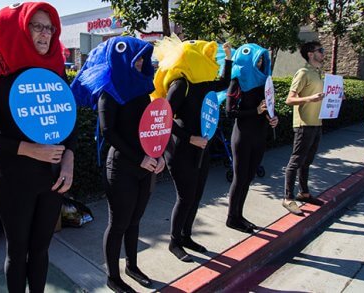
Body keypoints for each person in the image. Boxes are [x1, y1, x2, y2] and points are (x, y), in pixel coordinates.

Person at [0, 2, 76, 292]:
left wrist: (69, 158)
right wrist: (27, 148)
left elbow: (68, 120)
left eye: (50, 28)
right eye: (36, 26)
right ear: (20, 28)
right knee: (17, 251)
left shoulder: (56, 69)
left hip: (53, 178)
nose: (45, 34)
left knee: (41, 250)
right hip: (14, 179)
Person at [71, 36, 163, 292]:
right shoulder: (109, 92)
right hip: (121, 168)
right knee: (119, 223)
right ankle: (113, 277)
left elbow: (153, 128)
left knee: (135, 221)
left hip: (145, 167)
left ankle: (132, 267)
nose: (141, 61)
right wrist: (142, 158)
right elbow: (108, 132)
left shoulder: (143, 90)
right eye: (137, 57)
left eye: (144, 57)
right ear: (123, 58)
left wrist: (160, 154)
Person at [151, 36, 232, 262]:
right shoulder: (181, 84)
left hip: (201, 148)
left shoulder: (204, 83)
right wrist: (190, 138)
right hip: (180, 149)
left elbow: (225, 83)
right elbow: (165, 119)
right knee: (185, 197)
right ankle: (174, 242)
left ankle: (186, 236)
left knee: (196, 195)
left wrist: (228, 58)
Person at [225, 44, 278, 233]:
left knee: (248, 178)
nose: (261, 63)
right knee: (239, 178)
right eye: (257, 60)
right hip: (242, 136)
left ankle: (239, 215)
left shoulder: (266, 82)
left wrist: (273, 118)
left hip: (259, 135)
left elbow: (270, 107)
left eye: (263, 60)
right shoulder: (237, 80)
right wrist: (255, 111)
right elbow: (230, 112)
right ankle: (232, 217)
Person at [282, 41, 327, 216]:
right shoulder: (303, 73)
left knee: (307, 161)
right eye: (320, 50)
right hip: (304, 124)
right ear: (310, 53)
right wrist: (310, 99)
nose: (323, 53)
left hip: (317, 123)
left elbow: (321, 97)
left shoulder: (318, 74)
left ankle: (304, 193)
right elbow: (289, 99)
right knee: (296, 161)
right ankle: (287, 198)